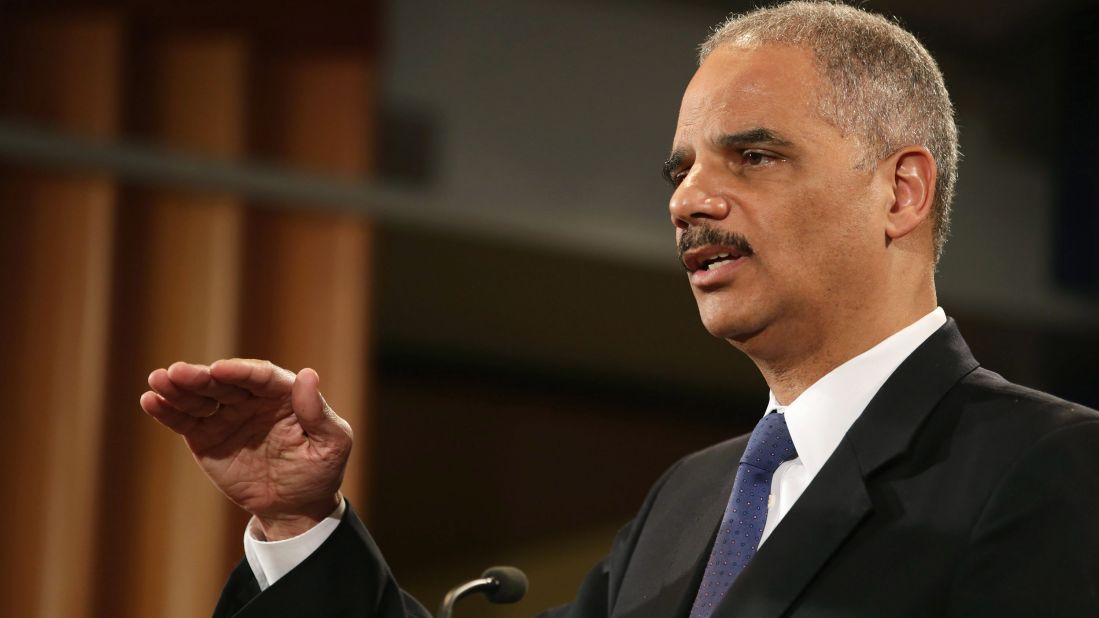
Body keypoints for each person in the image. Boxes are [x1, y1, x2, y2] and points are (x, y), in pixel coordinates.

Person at [140, 2, 1099, 617]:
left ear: (899, 192)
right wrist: (300, 524)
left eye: (752, 157)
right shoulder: (690, 504)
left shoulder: (1049, 468)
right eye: (680, 170)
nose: (688, 200)